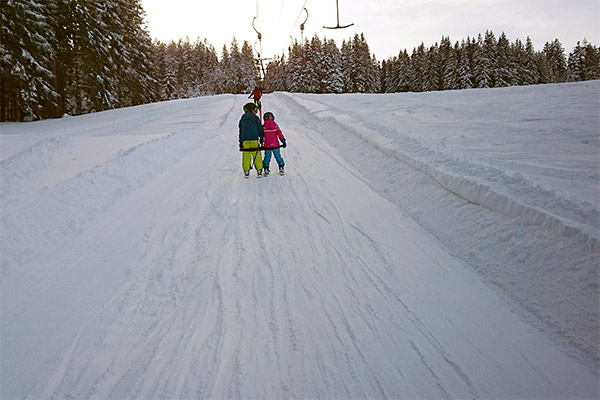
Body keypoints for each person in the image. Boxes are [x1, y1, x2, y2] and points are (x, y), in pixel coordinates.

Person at [239, 102, 264, 178]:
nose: (256, 112)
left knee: (246, 155)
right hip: (254, 139)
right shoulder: (255, 118)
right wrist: (261, 137)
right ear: (251, 110)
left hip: (245, 140)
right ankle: (259, 170)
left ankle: (246, 170)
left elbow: (241, 130)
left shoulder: (243, 118)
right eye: (255, 110)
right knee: (256, 154)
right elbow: (260, 128)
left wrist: (241, 141)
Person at [262, 111, 286, 176]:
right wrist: (283, 140)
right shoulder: (275, 126)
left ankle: (266, 168)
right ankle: (281, 167)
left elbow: (261, 135)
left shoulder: (263, 127)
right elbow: (279, 134)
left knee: (267, 157)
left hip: (267, 145)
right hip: (275, 145)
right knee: (278, 156)